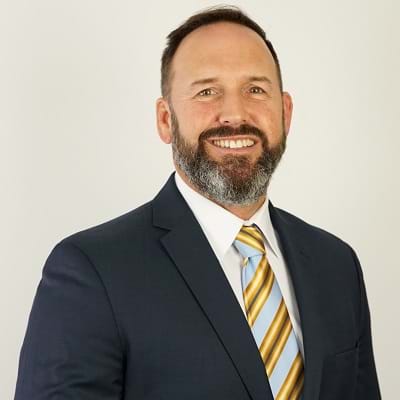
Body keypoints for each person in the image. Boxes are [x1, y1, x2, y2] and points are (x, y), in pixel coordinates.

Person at [14, 6, 381, 400]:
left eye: (255, 90)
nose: (235, 114)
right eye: (207, 91)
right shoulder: (91, 272)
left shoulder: (336, 265)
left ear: (285, 112)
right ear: (165, 119)